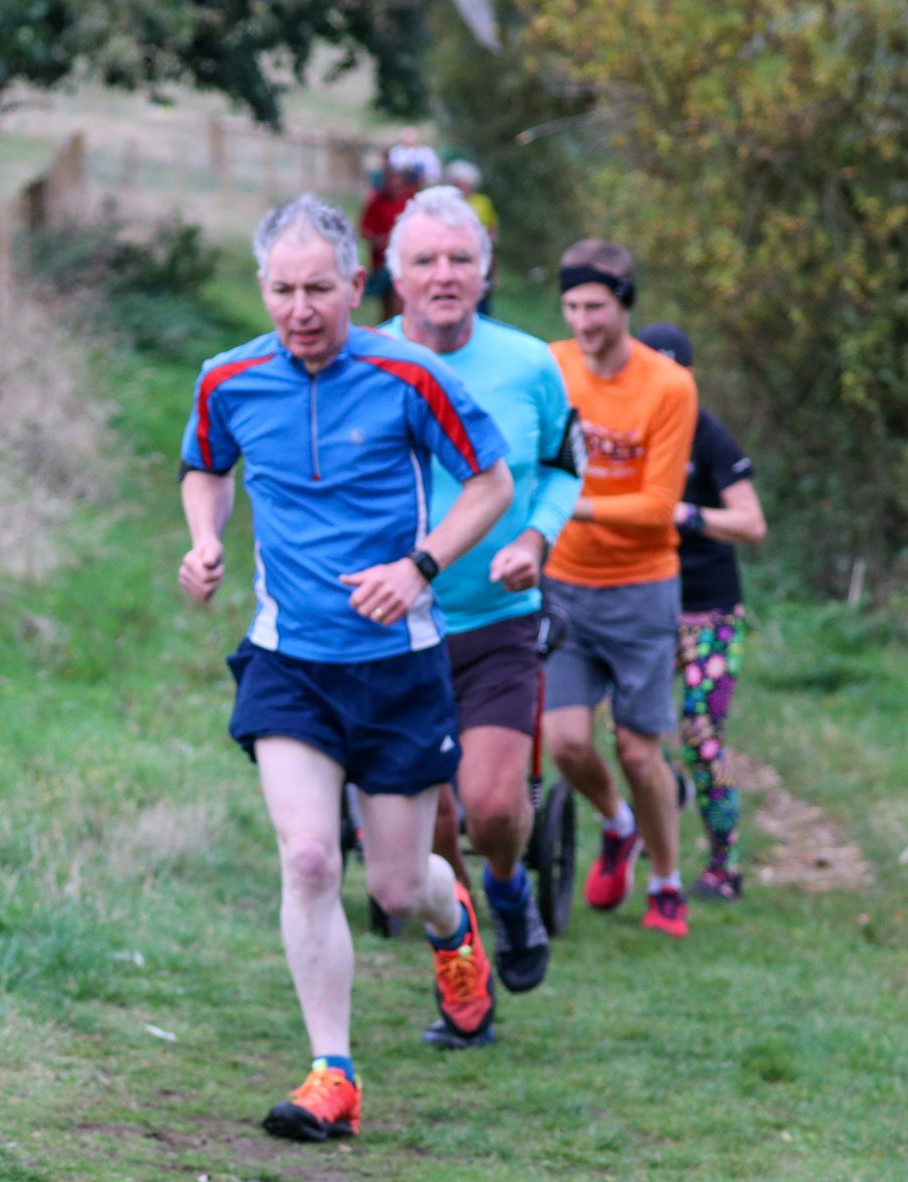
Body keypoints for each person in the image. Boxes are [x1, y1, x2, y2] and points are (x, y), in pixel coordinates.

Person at [177, 193, 513, 1139]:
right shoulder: (228, 379)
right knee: (312, 856)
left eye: (318, 289)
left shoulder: (409, 375)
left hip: (397, 665)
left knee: (400, 890)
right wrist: (205, 539)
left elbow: (490, 482)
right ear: (263, 290)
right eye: (281, 290)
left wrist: (419, 568)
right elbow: (206, 464)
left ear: (356, 287)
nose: (299, 309)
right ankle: (333, 1073)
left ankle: (455, 931)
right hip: (290, 662)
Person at [377, 185, 583, 998]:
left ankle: (507, 892)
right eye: (424, 260)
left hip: (499, 618)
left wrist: (534, 538)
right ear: (395, 276)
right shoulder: (366, 362)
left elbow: (566, 469)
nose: (443, 274)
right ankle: (459, 970)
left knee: (493, 808)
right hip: (398, 626)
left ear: (484, 271)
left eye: (460, 259)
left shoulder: (531, 363)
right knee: (433, 821)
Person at [544, 240, 698, 938]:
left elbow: (657, 504)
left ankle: (665, 882)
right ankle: (618, 823)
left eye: (596, 308)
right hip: (563, 584)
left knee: (640, 751)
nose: (583, 322)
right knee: (566, 744)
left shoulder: (667, 386)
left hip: (640, 588)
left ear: (624, 304)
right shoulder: (550, 367)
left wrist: (561, 506)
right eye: (572, 306)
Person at [637, 322, 767, 901]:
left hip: (708, 608)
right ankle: (667, 796)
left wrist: (685, 515)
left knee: (702, 735)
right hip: (640, 599)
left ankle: (724, 867)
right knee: (631, 733)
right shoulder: (618, 432)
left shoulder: (707, 435)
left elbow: (752, 524)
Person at [358, 166, 418, 320]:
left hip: (406, 258)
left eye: (398, 180)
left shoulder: (411, 199)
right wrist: (378, 240)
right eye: (391, 180)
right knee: (387, 302)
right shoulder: (377, 202)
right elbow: (365, 229)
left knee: (402, 298)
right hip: (382, 261)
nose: (395, 184)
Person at [443, 160, 500, 315]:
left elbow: (492, 234)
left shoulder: (482, 203)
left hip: (480, 257)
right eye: (458, 183)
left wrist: (493, 270)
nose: (462, 188)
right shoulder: (446, 204)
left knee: (481, 301)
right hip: (454, 258)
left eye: (465, 184)